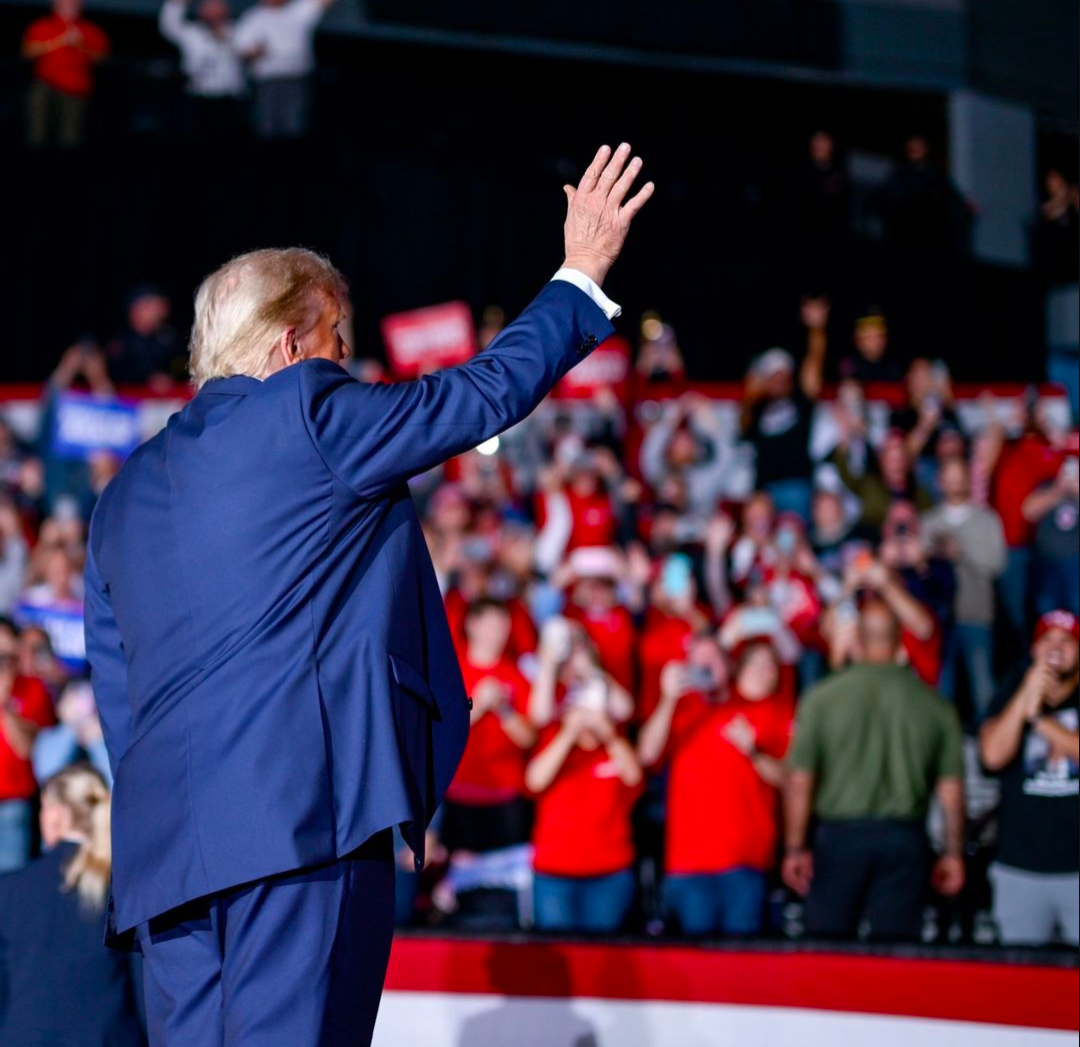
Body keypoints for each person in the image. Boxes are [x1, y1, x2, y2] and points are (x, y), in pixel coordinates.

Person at [83, 144, 652, 1045]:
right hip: (295, 827)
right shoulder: (308, 413)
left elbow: (120, 698)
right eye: (340, 342)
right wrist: (579, 274)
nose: (349, 364)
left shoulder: (120, 498)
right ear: (291, 341)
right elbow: (479, 394)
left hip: (167, 859)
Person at [783, 599, 966, 940]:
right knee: (895, 957)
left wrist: (794, 847)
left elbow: (799, 780)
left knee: (827, 953)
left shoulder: (822, 698)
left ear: (859, 639)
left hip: (838, 839)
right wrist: (953, 853)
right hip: (904, 840)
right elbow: (951, 791)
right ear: (900, 639)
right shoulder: (934, 705)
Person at [638, 637, 792, 936]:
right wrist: (667, 699)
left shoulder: (760, 710)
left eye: (714, 660)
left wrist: (754, 753)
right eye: (698, 662)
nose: (706, 668)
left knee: (742, 969)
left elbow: (789, 780)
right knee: (694, 971)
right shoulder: (679, 711)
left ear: (730, 666)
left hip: (744, 863)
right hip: (688, 865)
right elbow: (646, 754)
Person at [0, 763, 143, 1046]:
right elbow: (141, 985)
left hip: (26, 1036)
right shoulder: (122, 884)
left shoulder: (10, 888)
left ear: (55, 813)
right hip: (109, 1035)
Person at [979, 611, 1079, 947]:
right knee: (1018, 982)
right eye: (1047, 639)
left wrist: (1038, 719)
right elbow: (992, 755)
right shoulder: (1011, 692)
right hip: (1019, 869)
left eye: (1066, 640)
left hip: (1076, 871)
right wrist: (1026, 695)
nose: (1056, 647)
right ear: (1034, 650)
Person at [525, 703, 643, 933]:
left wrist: (609, 735)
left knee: (604, 960)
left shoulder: (615, 744)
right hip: (554, 873)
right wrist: (568, 734)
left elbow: (635, 777)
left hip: (609, 873)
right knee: (557, 957)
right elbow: (534, 781)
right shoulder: (552, 739)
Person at [922, 456, 1006, 721]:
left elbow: (995, 563)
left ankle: (989, 752)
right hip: (938, 619)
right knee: (940, 690)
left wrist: (960, 552)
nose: (955, 482)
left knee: (983, 688)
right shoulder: (929, 521)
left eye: (960, 476)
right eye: (950, 476)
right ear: (939, 481)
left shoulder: (986, 520)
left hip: (976, 613)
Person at [740, 296, 827, 521]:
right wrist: (750, 395)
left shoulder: (800, 400)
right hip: (764, 488)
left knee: (794, 542)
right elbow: (743, 428)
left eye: (783, 373)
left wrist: (816, 329)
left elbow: (814, 363)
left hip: (796, 485)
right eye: (773, 374)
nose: (779, 378)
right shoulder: (758, 407)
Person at [233, 0, 337, 139]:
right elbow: (241, 50)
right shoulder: (254, 17)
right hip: (267, 82)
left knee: (295, 126)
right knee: (266, 127)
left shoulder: (298, 11)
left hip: (296, 79)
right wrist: (255, 52)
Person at [0, 619, 56, 872]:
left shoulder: (32, 688)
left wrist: (4, 702)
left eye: (6, 656)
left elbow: (24, 747)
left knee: (10, 886)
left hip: (14, 804)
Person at [21, 0, 109, 149]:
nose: (70, 7)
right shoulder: (43, 25)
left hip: (76, 88)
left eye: (74, 4)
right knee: (38, 128)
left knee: (70, 134)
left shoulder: (90, 30)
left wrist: (80, 44)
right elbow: (27, 52)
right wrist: (58, 41)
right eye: (65, 3)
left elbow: (102, 58)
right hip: (46, 83)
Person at [159, 0, 245, 137]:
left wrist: (227, 40)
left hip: (228, 100)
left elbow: (248, 51)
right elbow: (168, 25)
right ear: (201, 12)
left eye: (218, 8)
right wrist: (178, 3)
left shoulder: (237, 31)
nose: (213, 13)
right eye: (209, 8)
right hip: (198, 96)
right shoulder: (191, 33)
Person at [1021, 436, 1080, 617]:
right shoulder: (1047, 484)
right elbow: (1028, 511)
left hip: (1076, 566)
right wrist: (1058, 489)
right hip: (1046, 565)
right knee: (1046, 614)